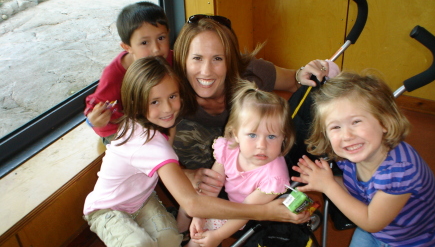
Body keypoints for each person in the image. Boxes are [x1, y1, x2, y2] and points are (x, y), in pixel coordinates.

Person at [83, 56, 309, 247]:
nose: (168, 108)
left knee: (171, 238)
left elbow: (202, 192)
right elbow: (192, 203)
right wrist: (269, 212)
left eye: (172, 97)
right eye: (155, 102)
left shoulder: (160, 125)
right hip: (107, 208)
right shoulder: (147, 143)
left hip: (141, 199)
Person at [172, 14, 339, 197]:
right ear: (183, 60)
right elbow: (145, 156)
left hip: (260, 165)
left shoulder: (252, 73)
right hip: (211, 184)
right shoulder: (169, 94)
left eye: (217, 59)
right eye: (197, 58)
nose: (206, 71)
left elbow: (296, 81)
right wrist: (185, 175)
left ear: (231, 60)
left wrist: (309, 72)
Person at [292, 71, 435, 247]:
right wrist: (326, 179)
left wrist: (328, 186)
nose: (347, 136)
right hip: (376, 230)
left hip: (411, 240)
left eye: (356, 122)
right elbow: (359, 188)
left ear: (385, 122)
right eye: (335, 127)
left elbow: (371, 222)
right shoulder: (348, 155)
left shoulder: (400, 171)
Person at [178, 80, 296, 247]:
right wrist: (198, 214)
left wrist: (217, 236)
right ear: (235, 135)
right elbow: (212, 184)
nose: (261, 145)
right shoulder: (229, 148)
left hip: (248, 215)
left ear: (283, 137)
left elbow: (246, 212)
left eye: (271, 137)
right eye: (253, 135)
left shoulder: (274, 177)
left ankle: (191, 243)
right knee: (188, 200)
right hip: (225, 198)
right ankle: (176, 234)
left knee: (203, 234)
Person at [84, 1, 172, 144]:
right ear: (127, 47)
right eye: (145, 43)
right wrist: (92, 120)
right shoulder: (114, 75)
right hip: (119, 130)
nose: (156, 49)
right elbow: (95, 105)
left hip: (152, 119)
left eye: (161, 38)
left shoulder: (168, 58)